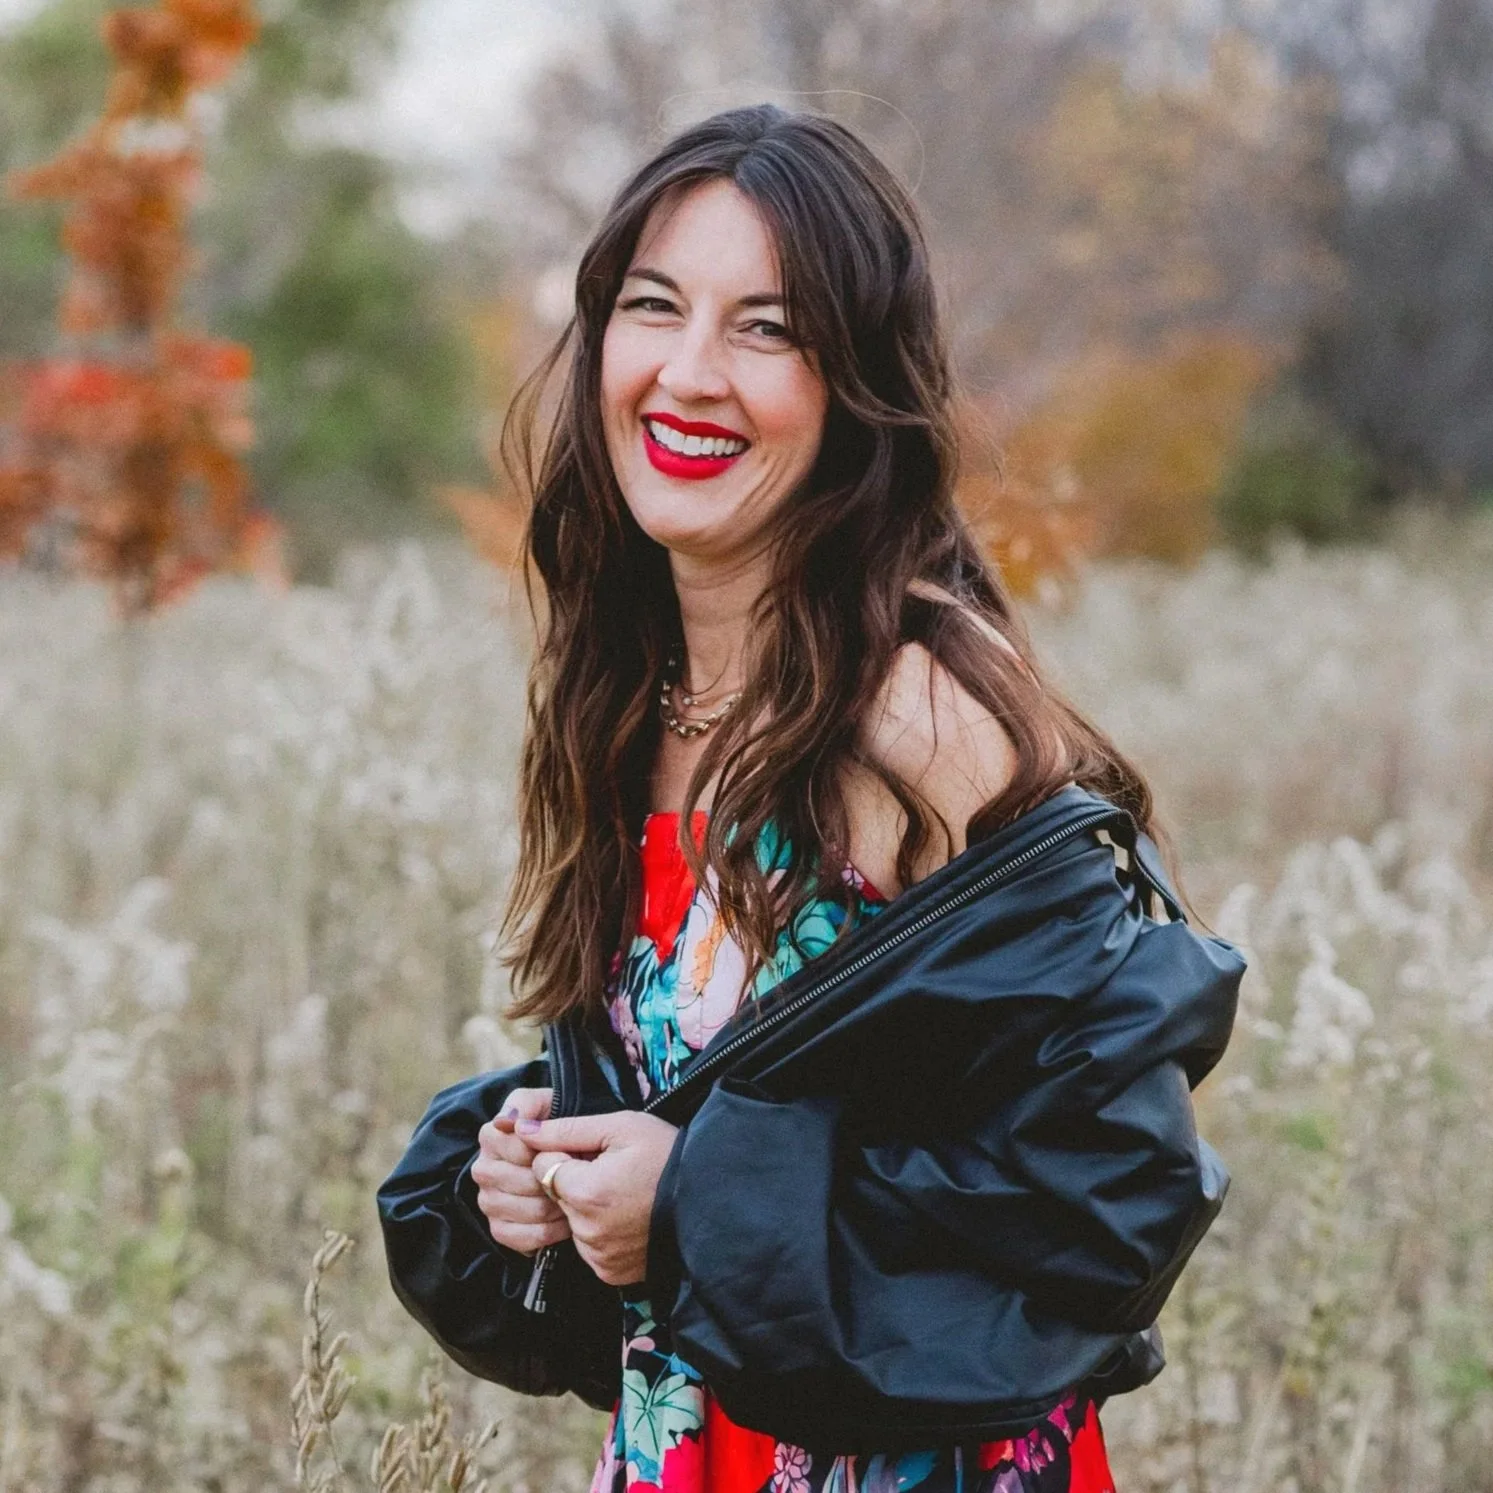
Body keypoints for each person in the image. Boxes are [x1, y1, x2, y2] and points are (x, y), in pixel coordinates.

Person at [378, 104, 1243, 1493]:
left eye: (766, 330)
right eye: (654, 308)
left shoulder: (917, 714)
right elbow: (756, 1076)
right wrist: (545, 1152)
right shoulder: (630, 696)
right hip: (687, 1443)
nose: (688, 374)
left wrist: (688, 1195)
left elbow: (1103, 1189)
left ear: (857, 384)